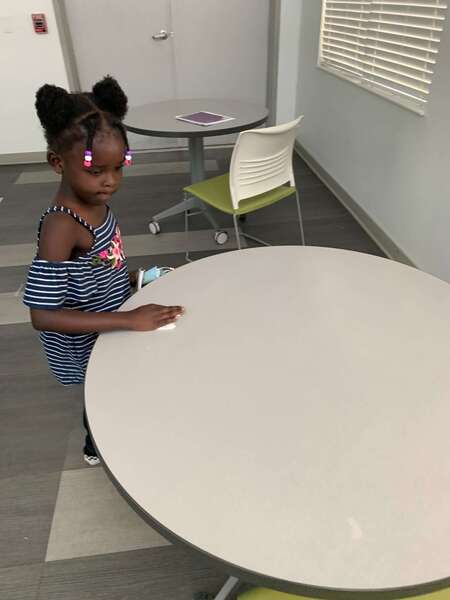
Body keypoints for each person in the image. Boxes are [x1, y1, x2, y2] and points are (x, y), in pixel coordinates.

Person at [23, 75, 184, 465]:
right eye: (96, 171)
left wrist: (136, 279)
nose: (110, 182)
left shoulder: (96, 202)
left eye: (118, 168)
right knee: (101, 391)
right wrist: (128, 319)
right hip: (88, 337)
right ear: (57, 162)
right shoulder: (61, 225)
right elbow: (42, 315)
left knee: (125, 378)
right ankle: (95, 446)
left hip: (113, 314)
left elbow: (99, 263)